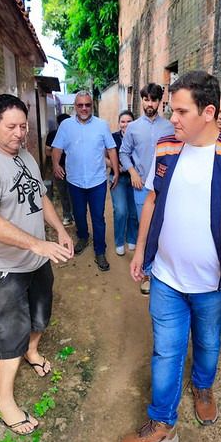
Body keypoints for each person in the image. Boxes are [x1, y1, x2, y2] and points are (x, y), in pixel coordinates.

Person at [118, 71, 221, 442]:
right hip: (166, 278)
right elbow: (152, 201)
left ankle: (203, 386)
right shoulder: (167, 147)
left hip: (215, 284)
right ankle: (162, 423)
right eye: (171, 110)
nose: (172, 118)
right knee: (166, 351)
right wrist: (141, 251)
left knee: (207, 342)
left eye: (181, 111)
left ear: (208, 112)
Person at [0, 94, 74, 435]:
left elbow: (40, 197)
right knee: (11, 330)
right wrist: (37, 243)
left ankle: (33, 351)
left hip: (36, 257)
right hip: (4, 266)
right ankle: (6, 402)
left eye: (23, 126)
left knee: (41, 313)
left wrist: (59, 230)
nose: (19, 133)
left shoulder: (25, 155)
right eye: (11, 127)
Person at [51, 90, 119, 272]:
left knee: (98, 217)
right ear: (75, 106)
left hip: (97, 181)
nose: (84, 108)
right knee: (79, 214)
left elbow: (111, 149)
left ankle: (100, 251)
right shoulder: (66, 126)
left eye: (87, 105)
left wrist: (116, 171)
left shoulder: (101, 125)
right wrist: (56, 164)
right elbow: (57, 148)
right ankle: (83, 237)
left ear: (92, 106)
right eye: (80, 105)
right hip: (75, 182)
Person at [119, 83, 174, 294]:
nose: (149, 104)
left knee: (166, 230)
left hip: (166, 189)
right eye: (146, 99)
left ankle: (166, 272)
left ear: (160, 102)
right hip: (142, 188)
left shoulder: (170, 127)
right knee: (148, 230)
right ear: (141, 100)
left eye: (153, 100)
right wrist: (132, 172)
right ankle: (148, 274)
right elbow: (124, 153)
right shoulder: (133, 128)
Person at [111, 110, 139, 256]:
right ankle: (120, 241)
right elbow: (105, 157)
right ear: (119, 123)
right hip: (118, 178)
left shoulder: (138, 136)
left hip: (136, 178)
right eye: (123, 121)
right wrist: (116, 166)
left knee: (134, 211)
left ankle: (132, 238)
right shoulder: (113, 138)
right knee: (121, 210)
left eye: (129, 121)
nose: (126, 124)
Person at [45, 113, 73, 225]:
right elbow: (47, 152)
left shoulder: (53, 134)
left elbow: (47, 152)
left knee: (65, 192)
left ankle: (68, 216)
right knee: (68, 192)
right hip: (62, 167)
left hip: (66, 167)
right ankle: (70, 215)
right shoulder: (54, 135)